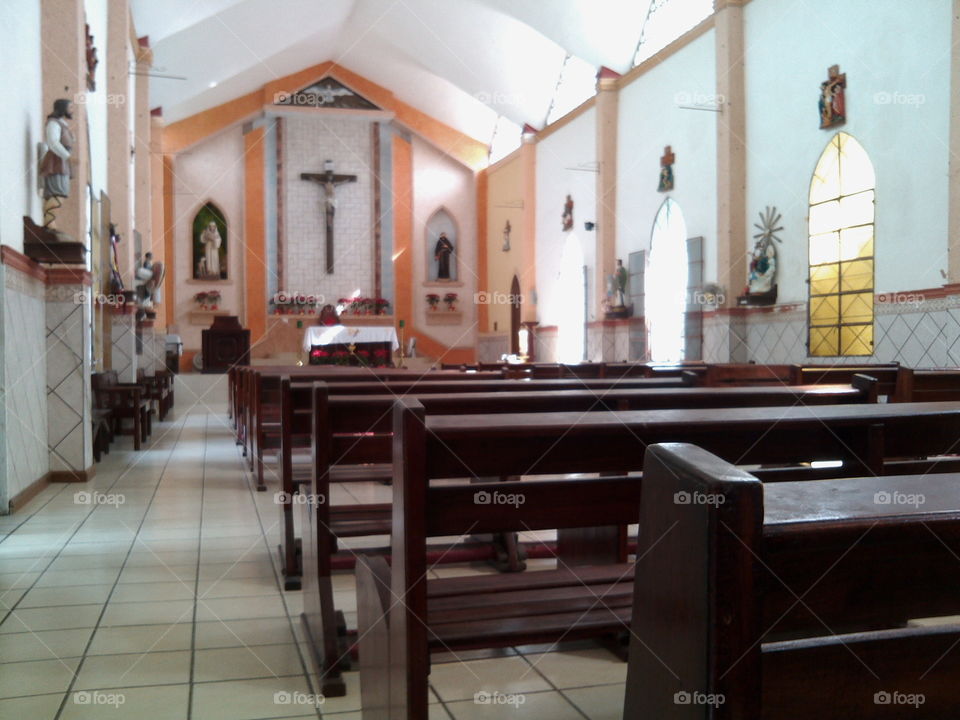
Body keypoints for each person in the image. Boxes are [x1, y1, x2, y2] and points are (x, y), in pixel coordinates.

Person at [39, 99, 74, 228]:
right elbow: (53, 142)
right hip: (56, 161)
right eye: (70, 107)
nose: (72, 110)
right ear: (62, 108)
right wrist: (67, 156)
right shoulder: (53, 123)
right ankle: (49, 222)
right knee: (57, 192)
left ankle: (50, 221)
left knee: (61, 192)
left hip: (62, 162)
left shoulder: (62, 123)